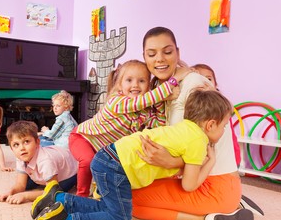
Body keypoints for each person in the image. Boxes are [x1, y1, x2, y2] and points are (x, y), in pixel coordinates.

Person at [30, 89, 235, 220]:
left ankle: (59, 198)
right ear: (210, 124)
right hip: (116, 167)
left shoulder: (183, 128)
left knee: (108, 207)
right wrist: (210, 162)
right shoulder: (199, 141)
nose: (224, 130)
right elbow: (189, 185)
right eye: (224, 125)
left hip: (108, 156)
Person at [131, 26, 263, 220]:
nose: (159, 59)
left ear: (177, 53)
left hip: (213, 184)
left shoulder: (194, 85)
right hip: (199, 178)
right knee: (130, 194)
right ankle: (233, 203)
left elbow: (205, 148)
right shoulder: (163, 89)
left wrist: (170, 161)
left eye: (167, 52)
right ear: (144, 57)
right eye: (151, 54)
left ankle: (211, 217)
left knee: (130, 200)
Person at [69, 59, 191, 197]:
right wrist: (174, 80)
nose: (135, 85)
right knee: (87, 159)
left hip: (103, 150)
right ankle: (81, 196)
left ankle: (98, 192)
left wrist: (160, 103)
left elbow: (160, 125)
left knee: (107, 168)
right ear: (120, 85)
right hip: (83, 137)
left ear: (148, 86)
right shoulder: (116, 101)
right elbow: (142, 101)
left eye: (142, 81)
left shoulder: (144, 111)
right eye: (129, 80)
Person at [0, 120, 77, 205]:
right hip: (48, 161)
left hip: (71, 172)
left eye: (26, 142)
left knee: (56, 193)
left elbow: (52, 191)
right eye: (16, 144)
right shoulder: (21, 155)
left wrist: (25, 196)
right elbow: (20, 184)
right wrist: (11, 192)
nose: (22, 148)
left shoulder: (45, 160)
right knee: (28, 184)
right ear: (11, 148)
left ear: (37, 142)